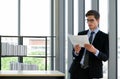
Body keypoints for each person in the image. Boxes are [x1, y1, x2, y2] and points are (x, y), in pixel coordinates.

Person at [69, 10, 109, 79]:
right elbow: (74, 54)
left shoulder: (104, 37)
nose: (89, 23)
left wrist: (94, 50)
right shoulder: (81, 34)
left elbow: (105, 57)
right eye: (87, 20)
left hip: (93, 72)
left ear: (98, 20)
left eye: (92, 20)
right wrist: (76, 51)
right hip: (77, 70)